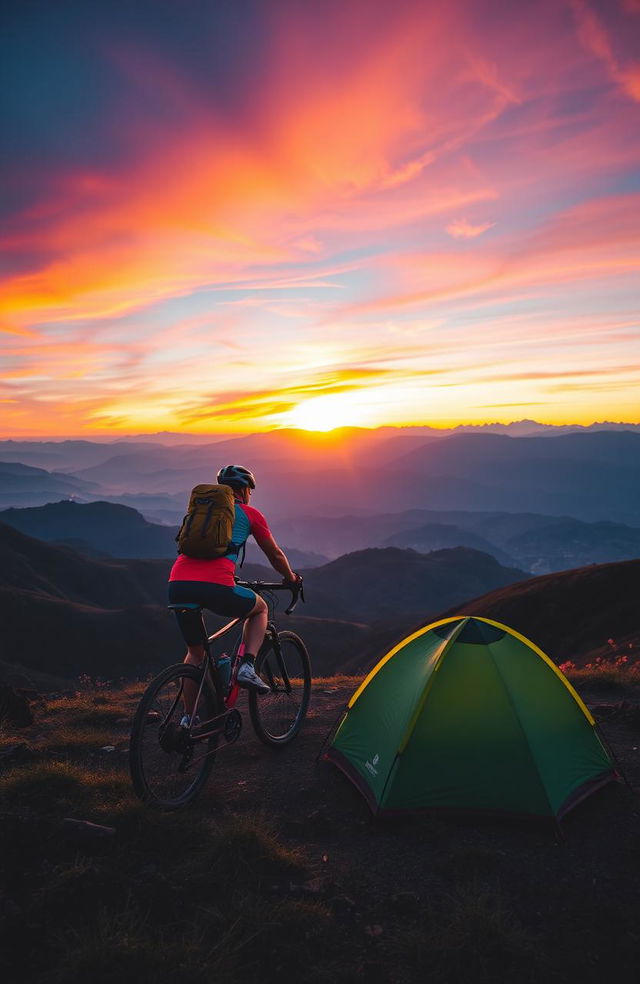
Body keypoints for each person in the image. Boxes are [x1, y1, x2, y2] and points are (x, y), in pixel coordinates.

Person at [168, 464, 301, 696]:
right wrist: (290, 579)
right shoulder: (251, 515)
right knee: (260, 609)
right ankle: (247, 666)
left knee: (195, 653)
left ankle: (187, 722)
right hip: (216, 585)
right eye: (250, 490)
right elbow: (275, 554)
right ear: (244, 490)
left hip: (178, 584)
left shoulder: (202, 513)